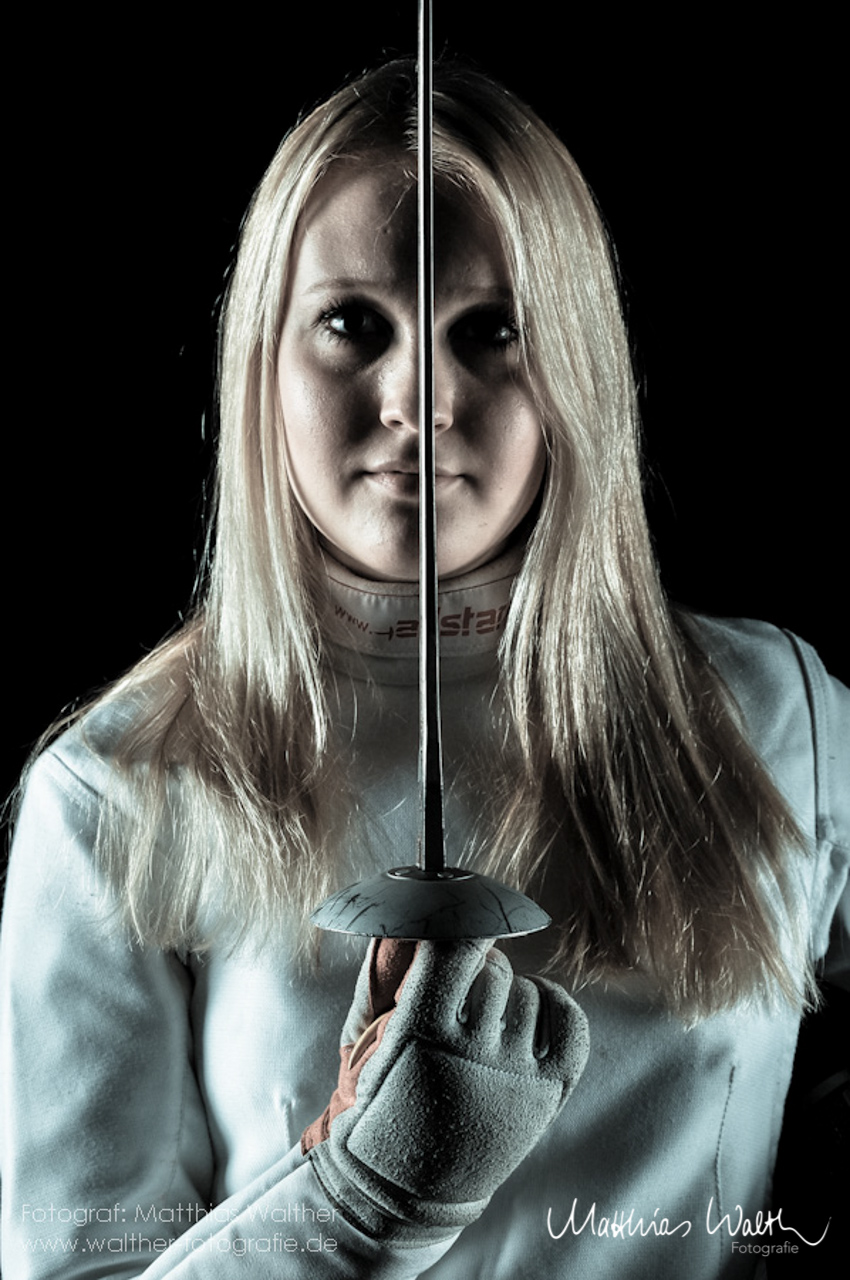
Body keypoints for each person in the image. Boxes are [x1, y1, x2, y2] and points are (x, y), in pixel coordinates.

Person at [1, 58, 847, 1280]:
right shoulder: (115, 791)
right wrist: (358, 1202)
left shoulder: (777, 716)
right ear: (264, 356)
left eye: (490, 330)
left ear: (574, 361)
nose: (422, 397)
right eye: (354, 323)